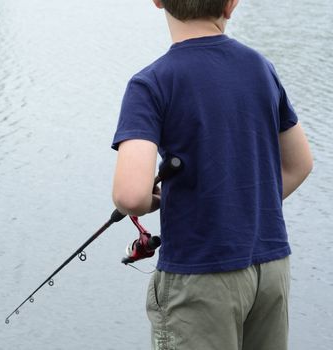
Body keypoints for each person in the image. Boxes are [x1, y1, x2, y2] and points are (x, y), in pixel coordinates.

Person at [110, 1, 313, 349]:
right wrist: (240, 204)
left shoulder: (151, 83)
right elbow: (299, 164)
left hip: (200, 273)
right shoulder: (260, 68)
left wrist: (148, 202)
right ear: (232, 4)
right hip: (271, 268)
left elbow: (131, 195)